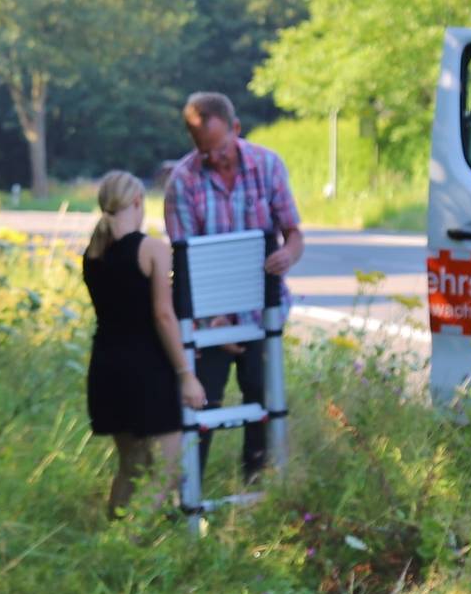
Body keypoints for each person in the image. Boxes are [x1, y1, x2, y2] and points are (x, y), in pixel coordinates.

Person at [161, 91, 304, 482]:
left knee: (262, 395)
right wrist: (215, 322)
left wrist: (287, 255)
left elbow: (293, 232)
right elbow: (185, 262)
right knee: (203, 401)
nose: (214, 158)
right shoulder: (182, 182)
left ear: (236, 129)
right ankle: (190, 494)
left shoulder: (268, 165)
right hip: (210, 318)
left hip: (262, 311)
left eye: (220, 147)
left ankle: (256, 489)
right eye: (204, 150)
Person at [81, 170, 208, 518]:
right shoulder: (152, 249)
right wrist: (185, 374)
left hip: (106, 368)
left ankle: (114, 542)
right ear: (138, 202)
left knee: (130, 467)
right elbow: (163, 316)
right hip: (146, 371)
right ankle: (129, 545)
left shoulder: (92, 253)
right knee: (168, 472)